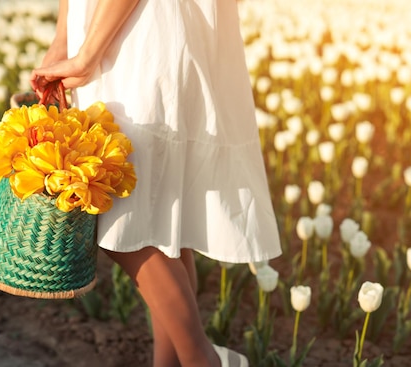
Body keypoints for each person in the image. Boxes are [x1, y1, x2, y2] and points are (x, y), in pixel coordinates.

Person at [30, 0, 282, 366]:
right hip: (119, 26)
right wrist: (64, 39)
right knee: (162, 220)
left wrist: (85, 55)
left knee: (118, 209)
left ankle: (204, 361)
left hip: (138, 35)